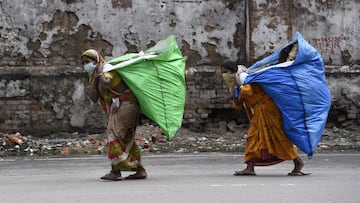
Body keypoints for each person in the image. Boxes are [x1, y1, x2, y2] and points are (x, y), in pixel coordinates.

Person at [221, 61, 308, 176]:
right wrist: (234, 94)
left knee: (278, 137)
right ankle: (250, 167)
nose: (225, 75)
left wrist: (239, 84)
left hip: (268, 110)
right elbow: (238, 104)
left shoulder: (243, 77)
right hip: (259, 113)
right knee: (253, 139)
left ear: (233, 71)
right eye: (223, 73)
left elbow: (248, 92)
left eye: (226, 72)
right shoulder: (234, 83)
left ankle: (298, 162)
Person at [81, 49, 147, 180]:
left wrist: (100, 73)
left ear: (97, 61)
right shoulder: (93, 76)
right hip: (117, 105)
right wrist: (95, 78)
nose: (85, 65)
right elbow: (93, 97)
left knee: (113, 133)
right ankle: (139, 170)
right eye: (83, 63)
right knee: (126, 136)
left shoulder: (107, 69)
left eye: (88, 62)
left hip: (127, 102)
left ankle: (116, 171)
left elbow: (106, 84)